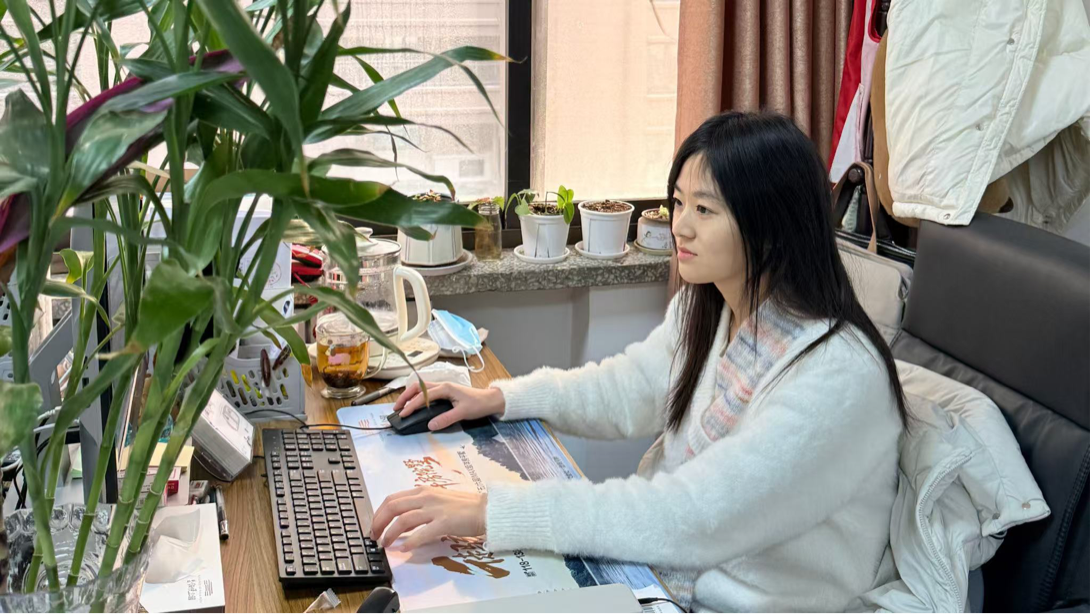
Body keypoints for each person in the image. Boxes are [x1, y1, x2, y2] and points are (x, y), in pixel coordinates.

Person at [370, 112, 907, 612]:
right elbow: (624, 390)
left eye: (704, 210)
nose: (680, 227)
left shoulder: (839, 374)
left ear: (772, 224)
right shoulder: (711, 307)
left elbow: (696, 516)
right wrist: (498, 398)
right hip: (665, 578)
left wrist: (493, 512)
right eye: (678, 203)